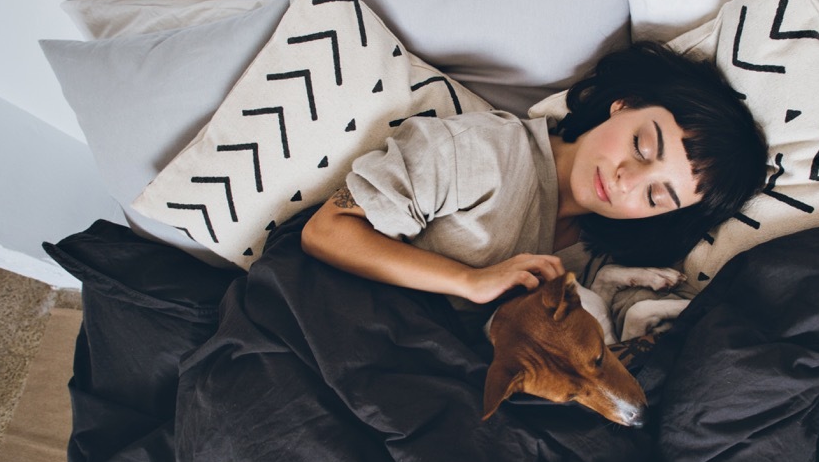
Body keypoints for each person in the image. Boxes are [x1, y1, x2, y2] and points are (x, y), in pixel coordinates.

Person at [301, 41, 767, 307]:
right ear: (622, 105)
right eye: (642, 147)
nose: (628, 179)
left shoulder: (598, 256)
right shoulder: (483, 150)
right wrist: (468, 280)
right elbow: (326, 231)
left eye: (656, 196)